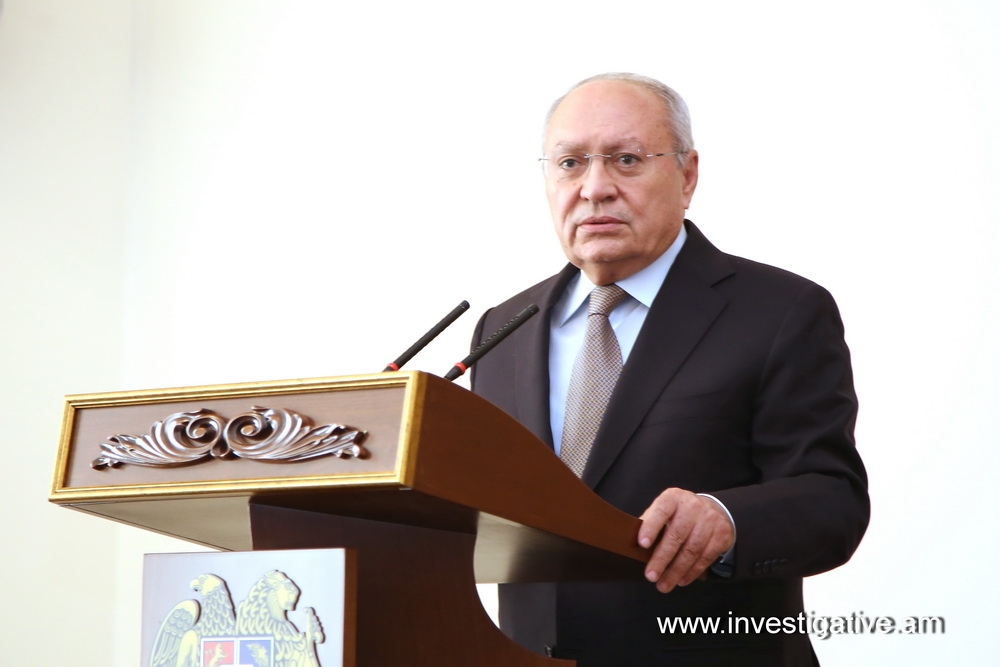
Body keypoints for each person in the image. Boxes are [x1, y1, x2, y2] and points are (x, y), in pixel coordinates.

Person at [469, 73, 869, 666]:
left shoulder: (780, 311)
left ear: (687, 176)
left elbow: (833, 502)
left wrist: (728, 520)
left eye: (627, 160)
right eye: (571, 163)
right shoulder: (502, 330)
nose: (595, 188)